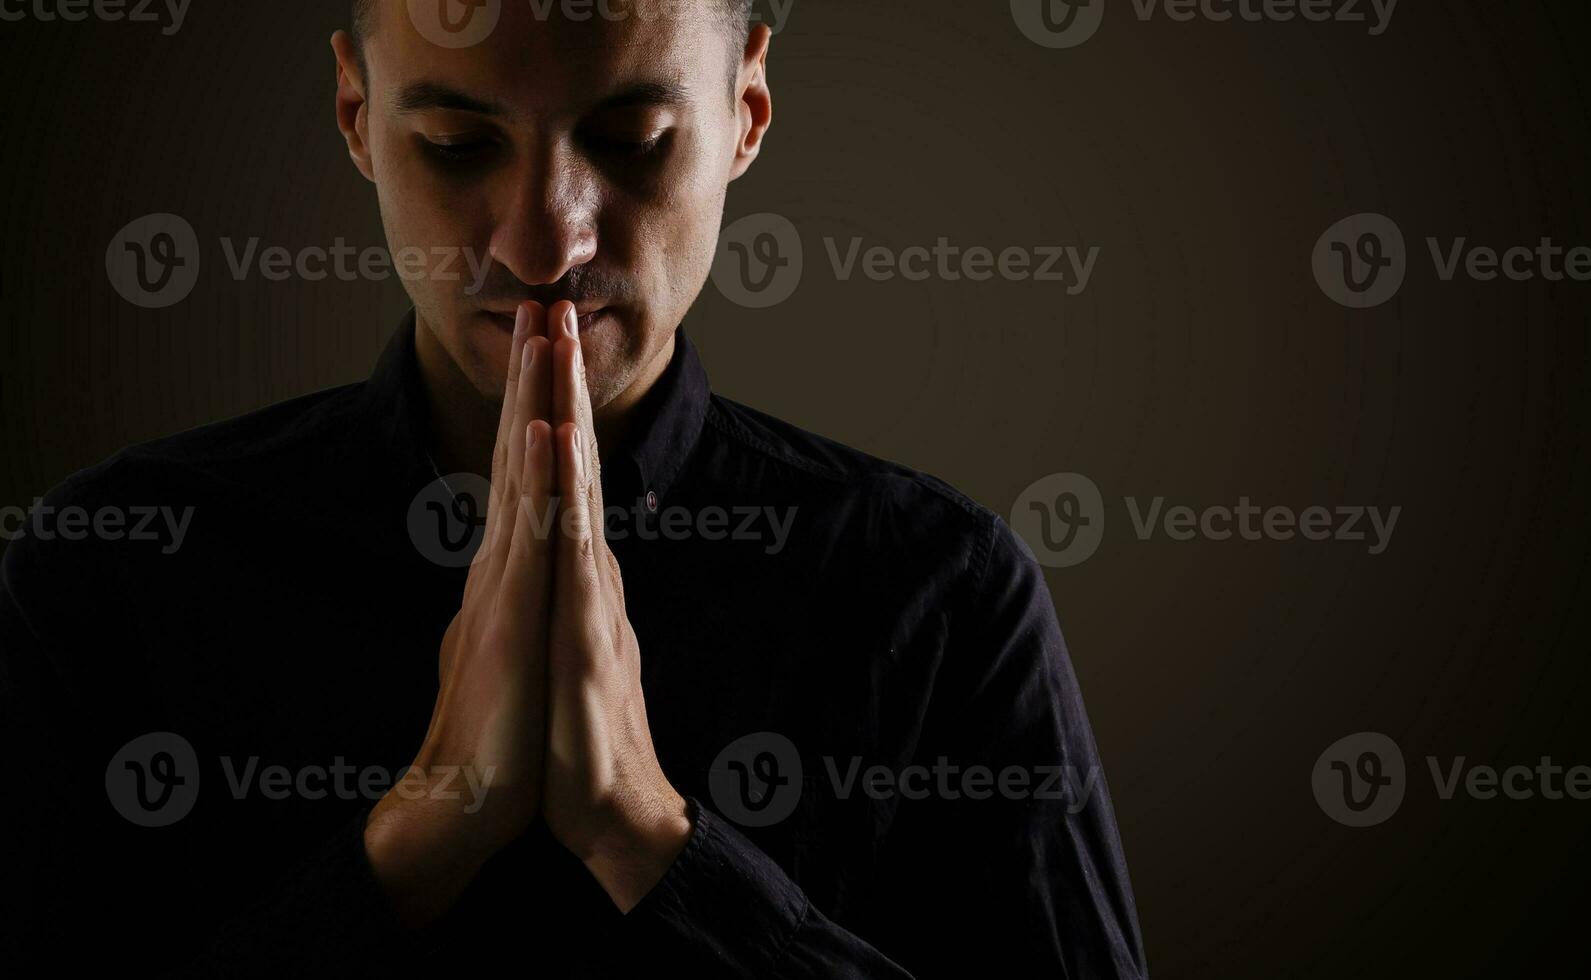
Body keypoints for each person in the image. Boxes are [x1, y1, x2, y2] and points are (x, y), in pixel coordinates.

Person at [0, 1, 1147, 974]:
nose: (545, 241)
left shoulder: (940, 592)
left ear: (746, 111)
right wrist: (417, 840)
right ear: (355, 109)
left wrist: (649, 836)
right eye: (456, 141)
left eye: (634, 137)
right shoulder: (111, 574)